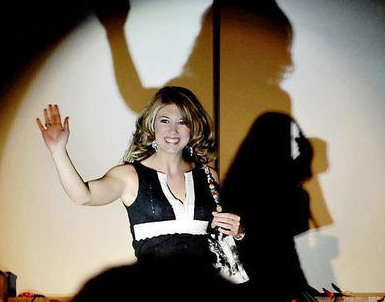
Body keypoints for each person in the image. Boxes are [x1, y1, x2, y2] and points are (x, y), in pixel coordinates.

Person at [37, 86, 244, 265]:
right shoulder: (129, 175)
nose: (173, 130)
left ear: (192, 128)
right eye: (165, 121)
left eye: (182, 122)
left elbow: (222, 239)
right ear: (153, 125)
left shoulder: (208, 176)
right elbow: (84, 196)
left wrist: (239, 232)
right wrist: (58, 151)